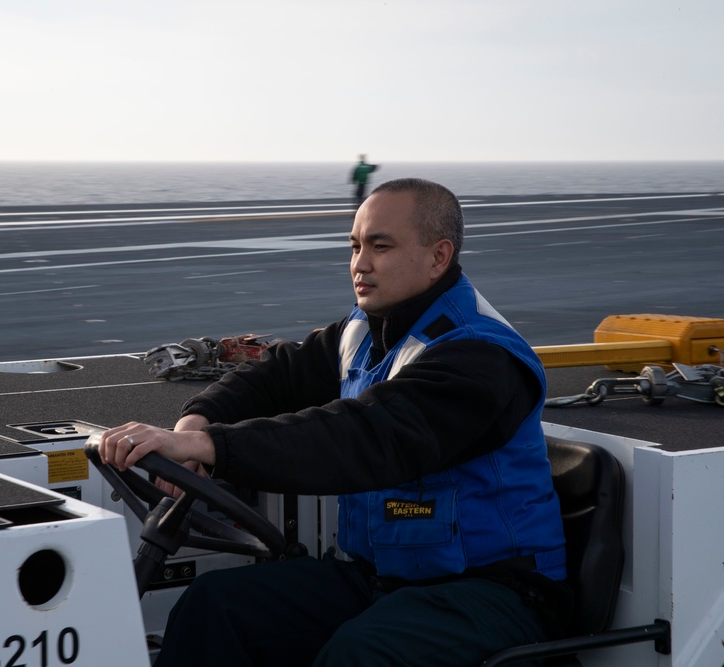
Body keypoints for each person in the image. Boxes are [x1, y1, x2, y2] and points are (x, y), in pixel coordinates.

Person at [98, 178, 573, 667]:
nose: (359, 264)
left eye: (380, 247)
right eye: (355, 246)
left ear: (439, 257)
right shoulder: (367, 329)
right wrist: (195, 424)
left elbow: (366, 436)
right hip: (383, 579)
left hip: (493, 591)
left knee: (360, 654)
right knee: (214, 606)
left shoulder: (480, 357)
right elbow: (277, 373)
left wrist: (212, 449)